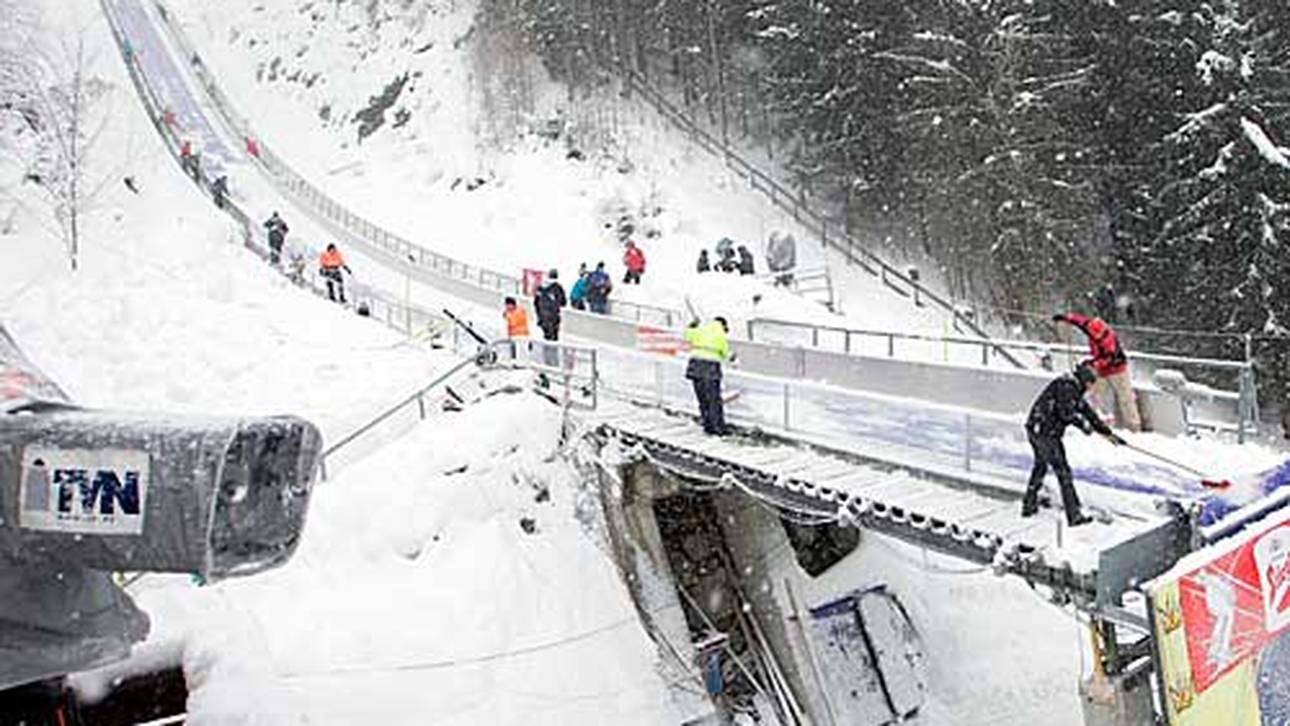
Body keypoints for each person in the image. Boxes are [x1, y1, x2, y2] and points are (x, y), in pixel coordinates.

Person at [1021, 364, 1125, 526]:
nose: (1091, 388)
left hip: (1037, 428)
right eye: (1091, 384)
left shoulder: (1073, 388)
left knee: (1040, 466)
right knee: (1063, 473)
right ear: (1085, 380)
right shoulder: (1067, 386)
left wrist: (1108, 434)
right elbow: (1066, 413)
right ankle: (1074, 515)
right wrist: (1084, 426)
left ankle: (1029, 504)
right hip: (1045, 432)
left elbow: (1087, 412)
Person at [1053, 312, 1140, 431]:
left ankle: (1134, 426)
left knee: (1126, 398)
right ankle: (1093, 422)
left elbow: (1109, 358)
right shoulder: (1090, 326)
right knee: (1093, 395)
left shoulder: (1108, 341)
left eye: (1097, 337)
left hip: (1117, 369)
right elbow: (1079, 320)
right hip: (1101, 371)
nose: (1095, 338)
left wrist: (1092, 364)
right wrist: (1065, 317)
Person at [684, 317, 734, 435]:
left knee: (702, 399)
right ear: (723, 325)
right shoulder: (720, 334)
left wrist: (692, 325)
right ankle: (718, 428)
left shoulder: (701, 330)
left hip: (695, 367)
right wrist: (733, 357)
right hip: (710, 369)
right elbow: (725, 353)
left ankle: (707, 425)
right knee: (714, 400)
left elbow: (687, 335)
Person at [533, 269, 567, 365]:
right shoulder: (557, 288)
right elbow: (563, 302)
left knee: (546, 336)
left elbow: (535, 303)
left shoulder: (540, 287)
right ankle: (553, 360)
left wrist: (539, 316)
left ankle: (546, 358)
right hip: (554, 317)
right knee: (554, 338)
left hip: (543, 317)